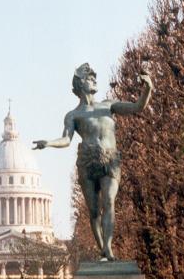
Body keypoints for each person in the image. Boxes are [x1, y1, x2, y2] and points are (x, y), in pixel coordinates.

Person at [33, 63, 152, 261]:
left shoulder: (108, 105)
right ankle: (103, 250)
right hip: (87, 162)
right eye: (90, 78)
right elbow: (66, 139)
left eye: (95, 77)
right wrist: (49, 143)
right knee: (94, 211)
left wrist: (147, 88)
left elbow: (137, 107)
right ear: (79, 85)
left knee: (109, 201)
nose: (94, 80)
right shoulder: (73, 115)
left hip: (110, 159)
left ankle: (108, 248)